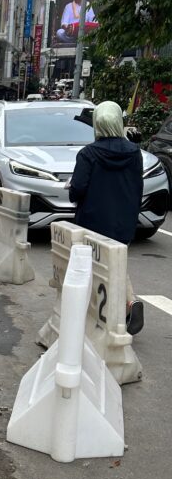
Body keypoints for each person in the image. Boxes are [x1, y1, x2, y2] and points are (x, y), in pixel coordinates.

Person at [69, 100, 145, 334]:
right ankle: (128, 305)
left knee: (94, 266)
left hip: (93, 220)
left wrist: (72, 190)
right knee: (117, 261)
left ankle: (98, 314)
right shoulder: (134, 153)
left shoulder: (88, 154)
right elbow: (138, 187)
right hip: (124, 219)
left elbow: (78, 189)